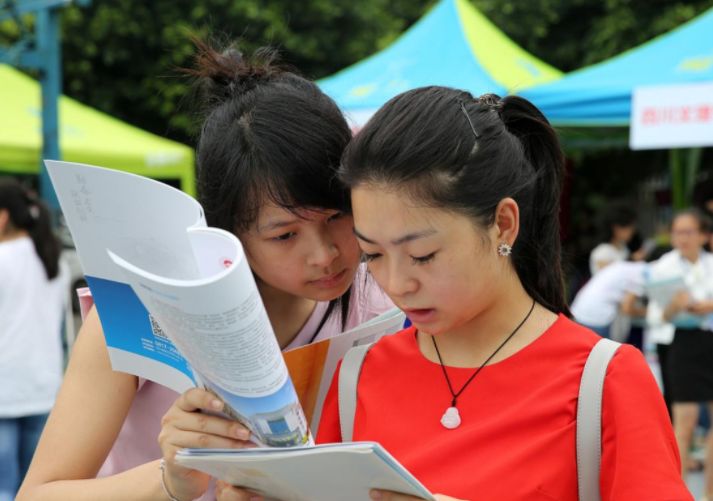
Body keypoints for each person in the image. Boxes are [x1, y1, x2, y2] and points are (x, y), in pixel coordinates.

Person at [17, 41, 391, 501]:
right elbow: (38, 494)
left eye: (336, 216)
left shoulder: (387, 304)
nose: (325, 255)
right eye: (284, 235)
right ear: (229, 230)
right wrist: (171, 480)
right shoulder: (140, 310)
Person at [307, 88, 686, 500]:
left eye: (423, 255)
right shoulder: (357, 376)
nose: (397, 284)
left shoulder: (604, 380)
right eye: (372, 255)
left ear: (503, 224)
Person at [0, 179, 68, 501]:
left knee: (3, 488)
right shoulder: (52, 258)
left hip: (5, 387)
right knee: (35, 489)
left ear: (2, 217)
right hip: (44, 384)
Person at [646, 209, 713, 499]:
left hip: (710, 339)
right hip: (680, 343)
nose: (682, 238)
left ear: (703, 235)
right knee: (683, 424)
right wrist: (676, 306)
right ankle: (678, 493)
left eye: (688, 231)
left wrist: (707, 307)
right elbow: (657, 317)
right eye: (678, 232)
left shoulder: (711, 263)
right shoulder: (663, 267)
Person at [589, 202, 637, 275]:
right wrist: (632, 260)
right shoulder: (602, 252)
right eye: (629, 227)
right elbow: (608, 277)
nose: (632, 230)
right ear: (616, 229)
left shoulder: (623, 248)